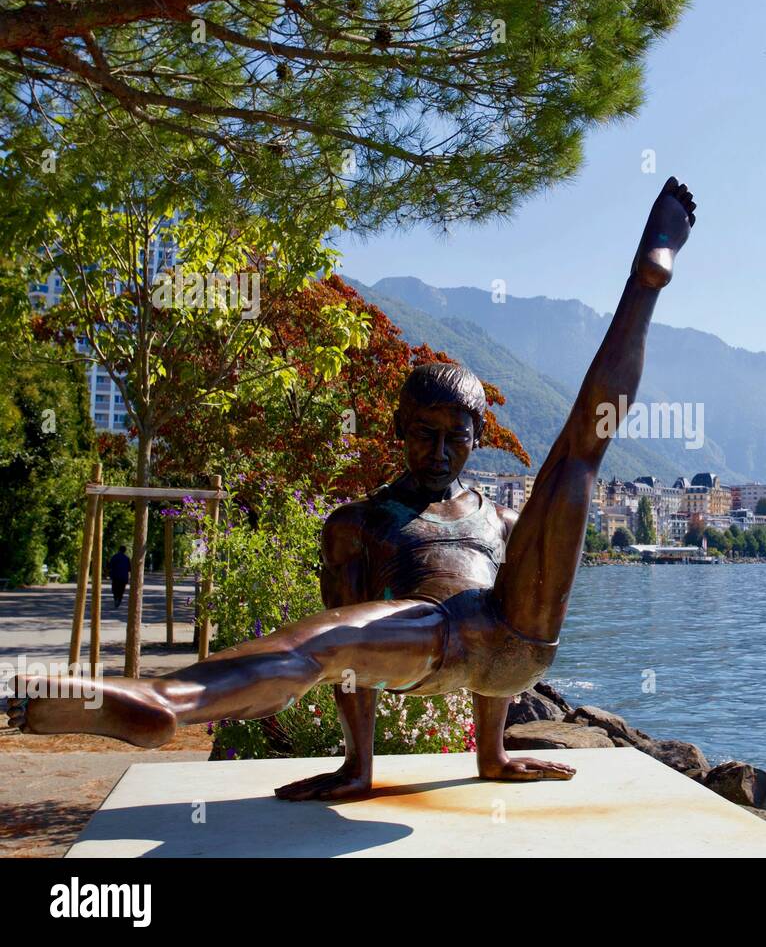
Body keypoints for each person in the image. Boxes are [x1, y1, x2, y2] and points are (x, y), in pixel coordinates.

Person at [4, 178, 697, 801]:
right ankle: (166, 701)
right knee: (321, 644)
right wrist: (357, 767)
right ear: (398, 430)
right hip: (429, 639)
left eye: (457, 436)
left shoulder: (504, 517)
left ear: (478, 439)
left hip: (519, 639)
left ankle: (646, 282)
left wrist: (493, 754)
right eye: (423, 433)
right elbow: (347, 664)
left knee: (580, 454)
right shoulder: (358, 522)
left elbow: (500, 659)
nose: (440, 450)